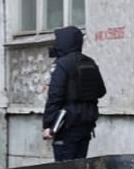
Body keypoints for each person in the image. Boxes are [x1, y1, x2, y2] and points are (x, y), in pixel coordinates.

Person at [41, 25, 107, 161]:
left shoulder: (62, 65)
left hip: (66, 125)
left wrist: (48, 125)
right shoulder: (90, 62)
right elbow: (101, 91)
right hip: (86, 124)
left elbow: (55, 97)